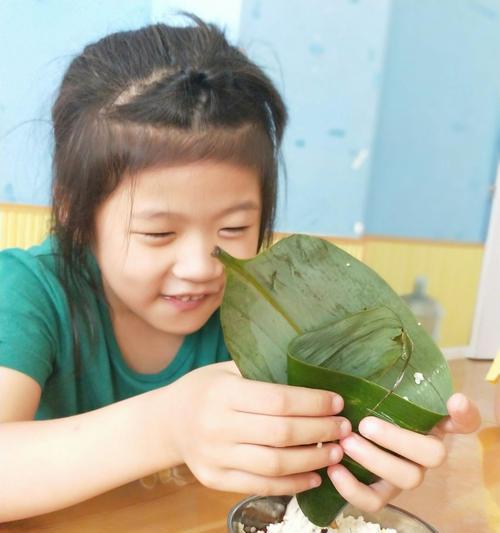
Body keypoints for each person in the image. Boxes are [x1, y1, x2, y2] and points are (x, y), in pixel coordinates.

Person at [0, 15, 481, 522]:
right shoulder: (28, 293)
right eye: (158, 233)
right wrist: (168, 425)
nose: (201, 267)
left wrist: (374, 438)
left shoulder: (268, 312)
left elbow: (303, 465)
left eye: (232, 230)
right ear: (76, 211)